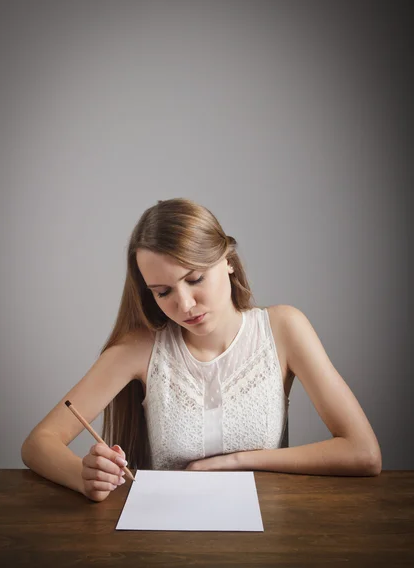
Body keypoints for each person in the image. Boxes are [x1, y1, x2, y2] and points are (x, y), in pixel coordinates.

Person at [21, 198, 382, 502]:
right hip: (164, 533)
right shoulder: (141, 348)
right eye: (163, 292)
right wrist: (83, 477)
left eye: (194, 279)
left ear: (227, 259)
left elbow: (363, 453)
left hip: (262, 530)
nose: (185, 304)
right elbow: (39, 443)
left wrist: (237, 461)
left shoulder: (284, 328)